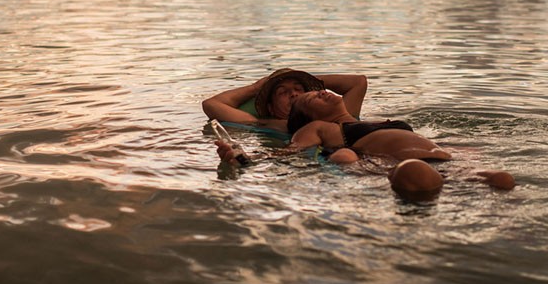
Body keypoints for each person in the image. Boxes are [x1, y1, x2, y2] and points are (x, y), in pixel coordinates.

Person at [217, 89, 516, 201]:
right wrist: (243, 159)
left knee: (502, 179)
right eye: (312, 99)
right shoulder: (320, 127)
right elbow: (289, 154)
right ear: (305, 115)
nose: (321, 91)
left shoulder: (374, 120)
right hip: (391, 166)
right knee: (419, 178)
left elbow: (358, 80)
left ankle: (513, 230)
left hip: (445, 161)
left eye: (319, 89)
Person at [201, 68, 367, 132]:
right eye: (283, 92)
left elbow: (358, 82)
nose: (294, 94)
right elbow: (211, 104)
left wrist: (309, 80)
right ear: (271, 109)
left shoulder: (338, 114)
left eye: (298, 89)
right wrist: (255, 88)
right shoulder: (268, 125)